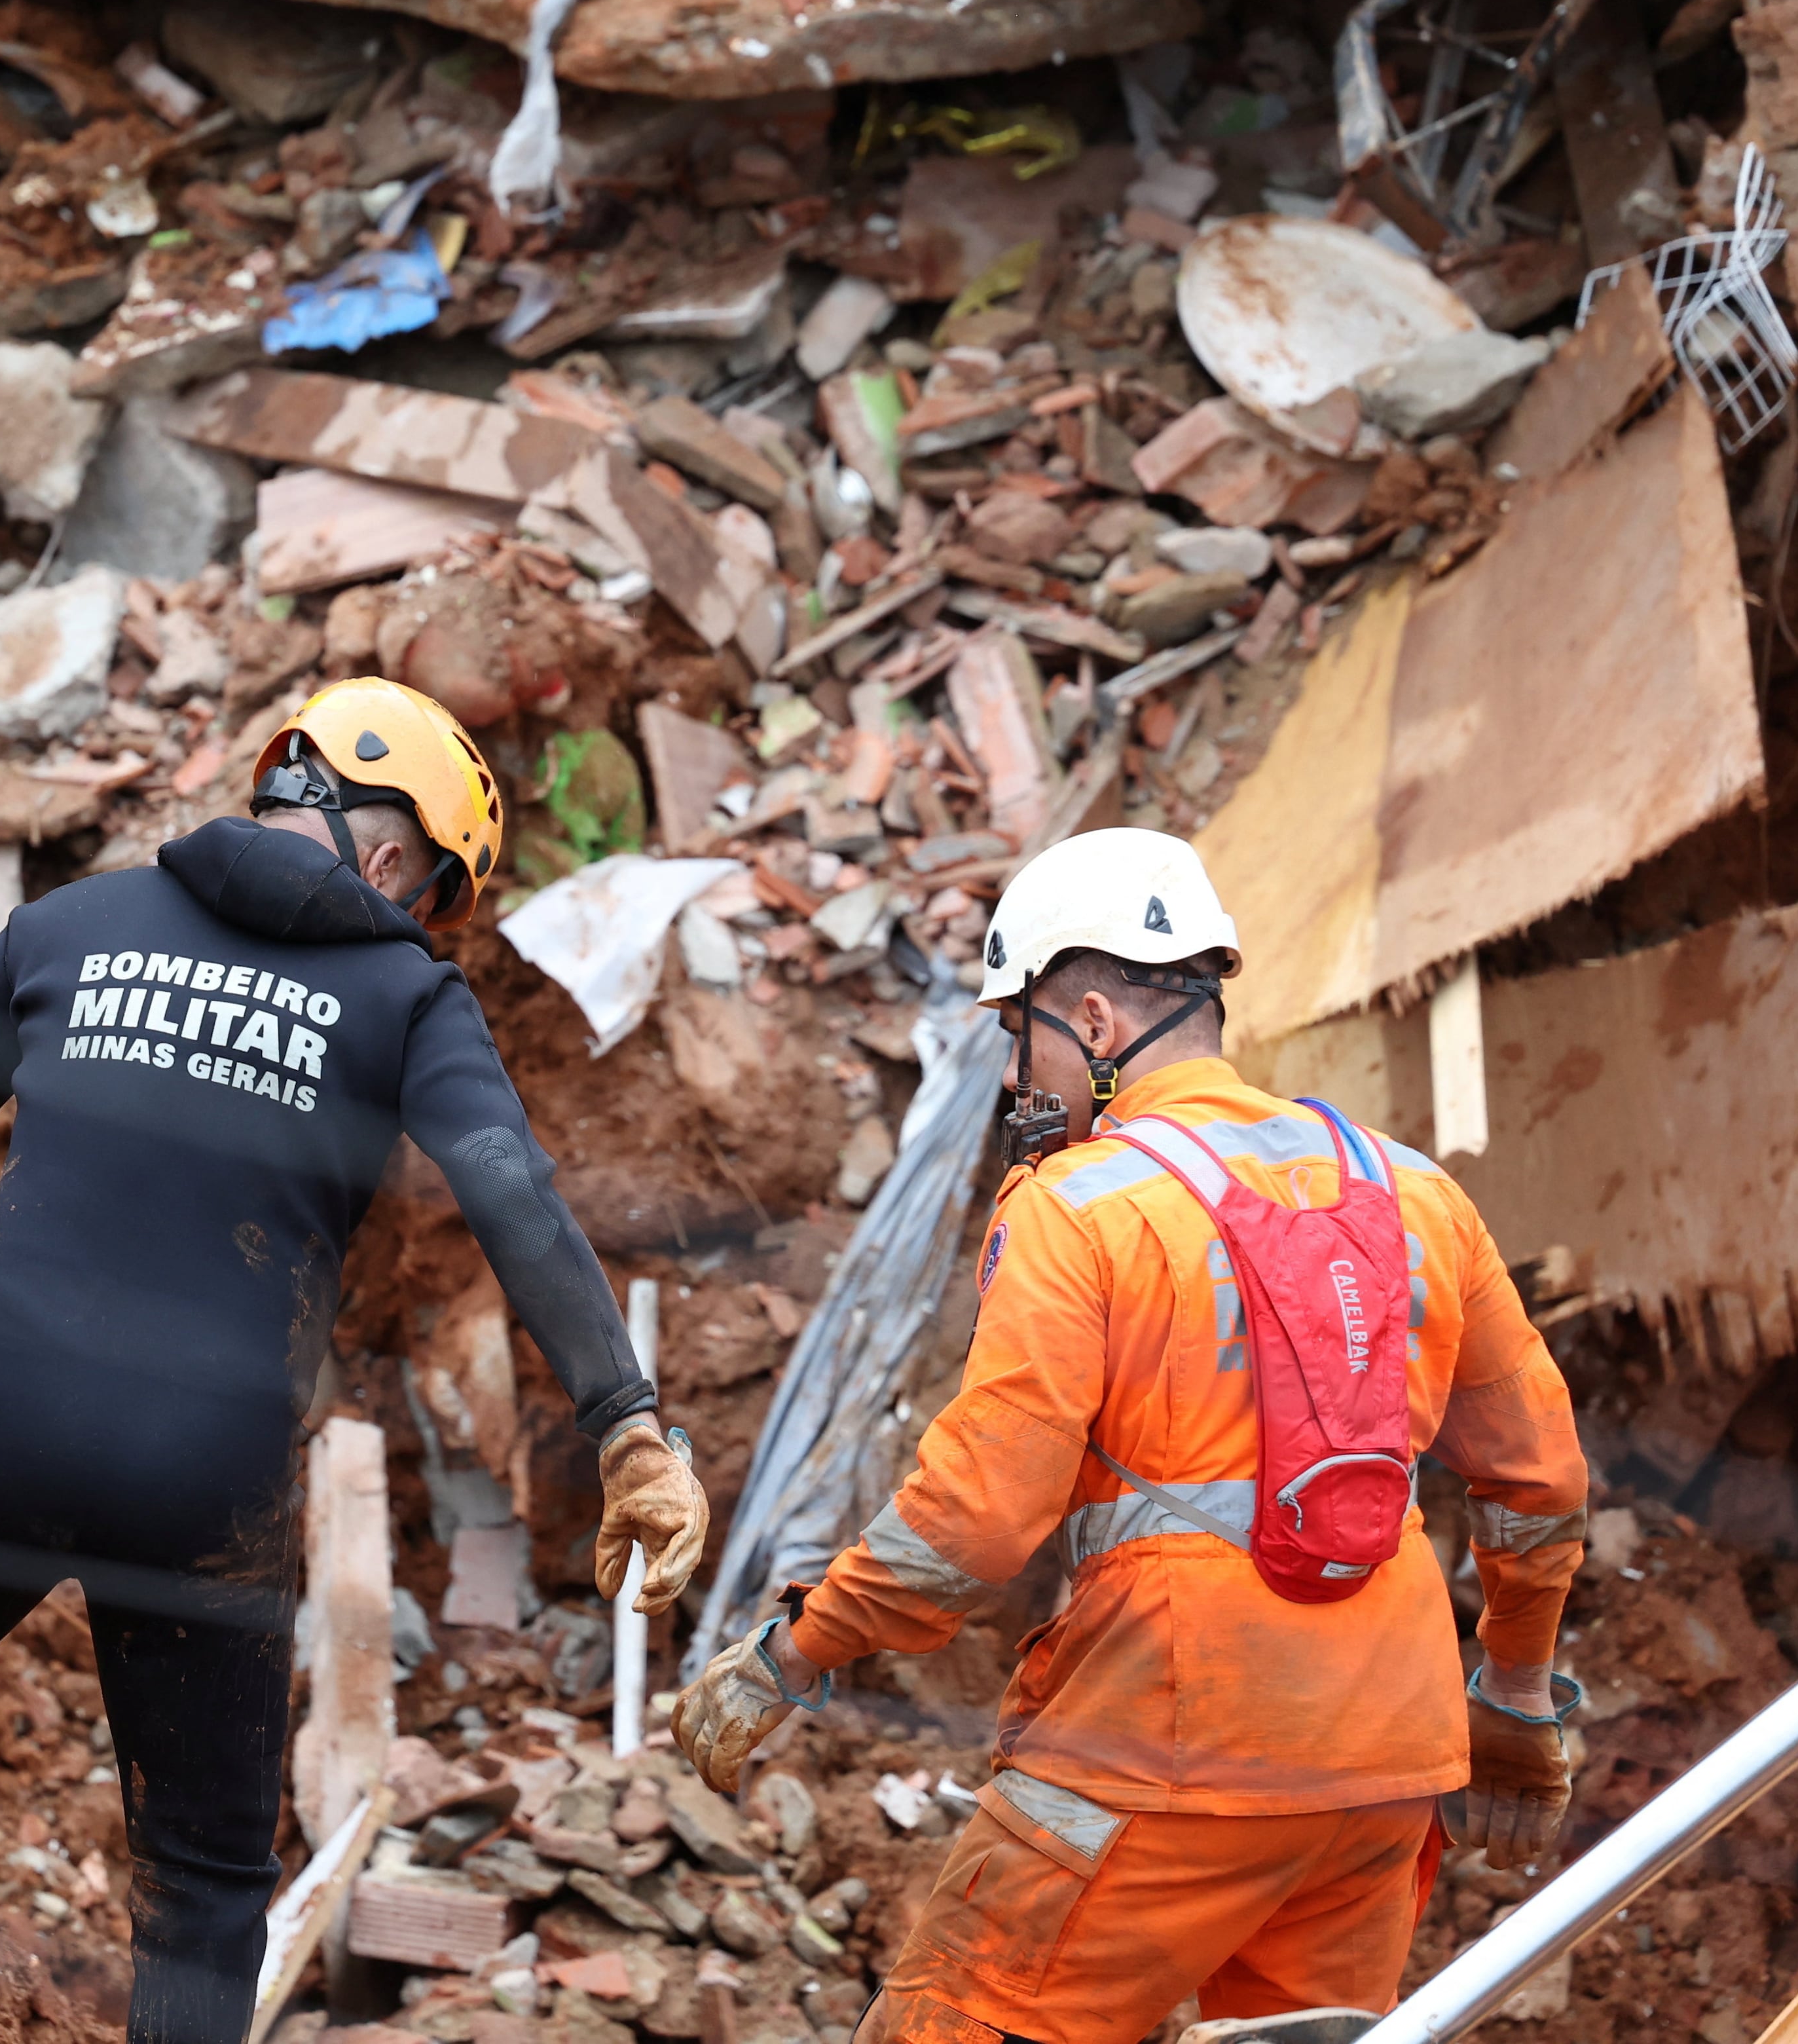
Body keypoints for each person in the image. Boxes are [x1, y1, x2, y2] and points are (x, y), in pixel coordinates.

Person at [0, 678, 714, 2044]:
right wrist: (623, 1416)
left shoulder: (73, 921)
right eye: (430, 889)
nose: (417, 917)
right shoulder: (403, 994)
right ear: (391, 856)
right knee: (203, 1880)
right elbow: (512, 1191)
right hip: (206, 1489)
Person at [671, 829, 1590, 2044]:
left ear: (1097, 1019)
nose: (1016, 1076)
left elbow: (974, 1517)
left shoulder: (1080, 1207)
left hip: (1164, 1745)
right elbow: (1538, 1480)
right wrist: (1517, 1695)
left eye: (1023, 1031)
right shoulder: (1415, 1191)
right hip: (1386, 1763)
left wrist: (794, 1651)